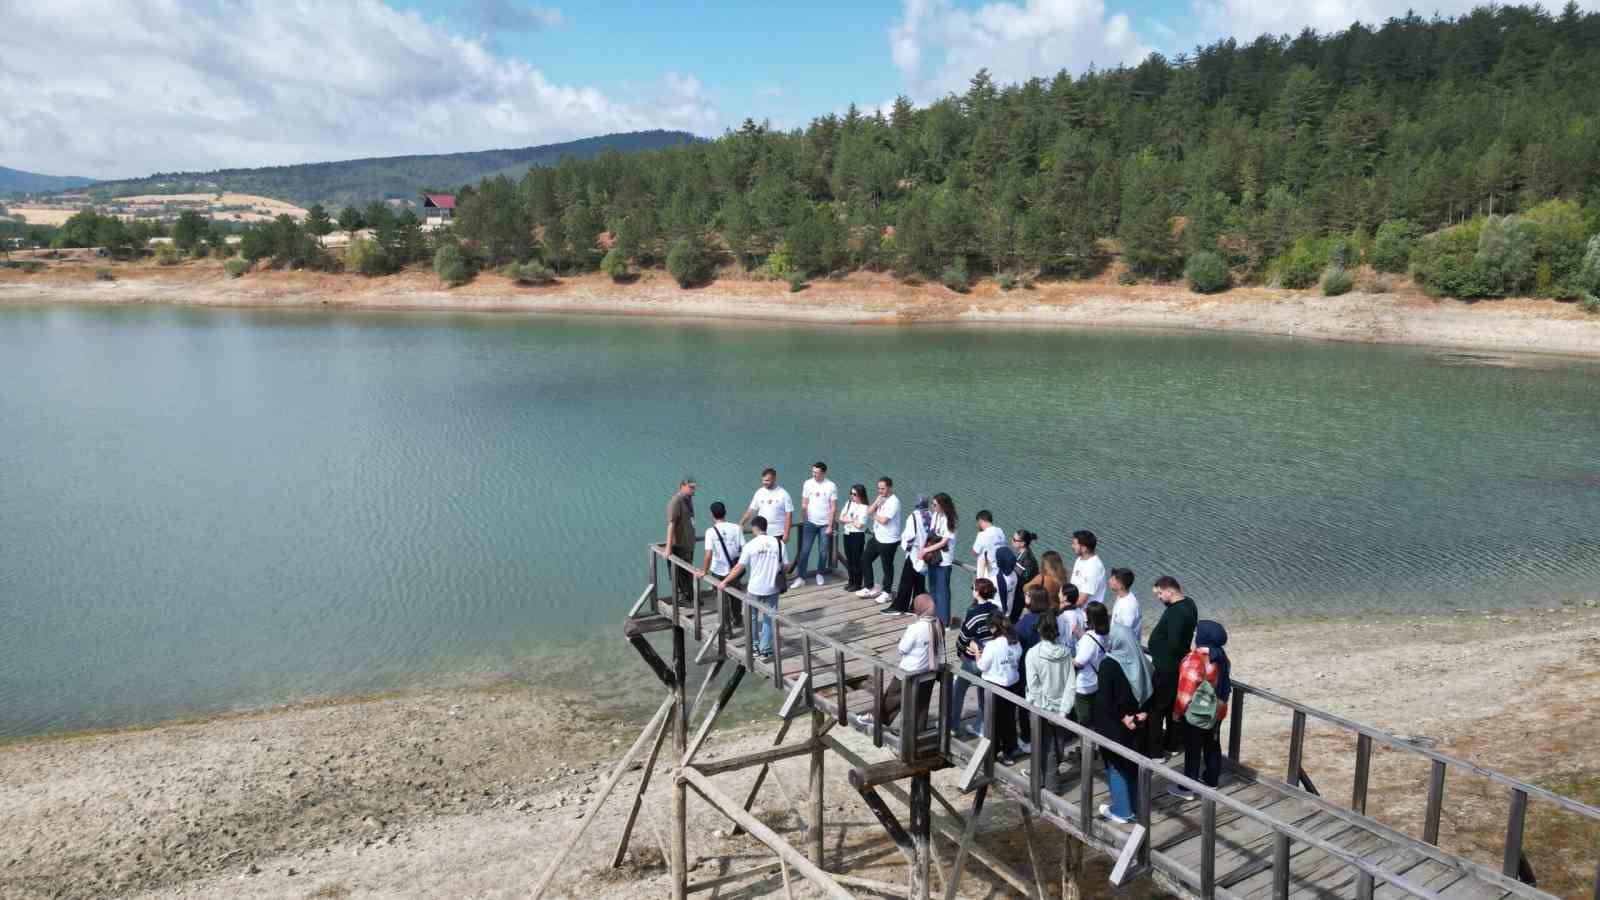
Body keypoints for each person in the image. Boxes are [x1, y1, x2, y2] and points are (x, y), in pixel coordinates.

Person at [854, 594, 943, 733]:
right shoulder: (938, 624)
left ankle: (877, 718)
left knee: (892, 698)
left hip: (910, 671)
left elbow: (902, 649)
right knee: (921, 706)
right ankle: (917, 734)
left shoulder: (915, 628)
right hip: (929, 672)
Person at [1093, 623, 1153, 825]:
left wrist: (1122, 717)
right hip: (1138, 721)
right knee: (1133, 765)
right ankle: (1136, 806)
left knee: (1116, 766)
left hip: (1115, 724)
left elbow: (1105, 699)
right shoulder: (1142, 661)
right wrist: (1143, 714)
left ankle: (1122, 810)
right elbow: (1151, 691)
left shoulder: (1108, 664)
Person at [1170, 620, 1231, 798]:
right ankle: (1212, 781)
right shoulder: (1222, 657)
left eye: (1198, 634)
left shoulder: (1194, 659)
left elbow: (1186, 692)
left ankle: (1188, 788)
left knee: (1192, 748)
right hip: (1217, 711)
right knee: (1212, 744)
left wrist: (1177, 712)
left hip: (1197, 713)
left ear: (1203, 637)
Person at [1146, 575, 1198, 758]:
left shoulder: (1176, 613)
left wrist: (1161, 649)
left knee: (1156, 709)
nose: (1158, 597)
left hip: (1167, 667)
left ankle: (1156, 752)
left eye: (1160, 593)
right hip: (1175, 666)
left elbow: (1175, 643)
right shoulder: (1189, 603)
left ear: (1170, 591)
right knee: (1171, 707)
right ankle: (1172, 743)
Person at [718, 516, 783, 660]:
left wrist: (725, 581)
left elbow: (738, 568)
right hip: (773, 587)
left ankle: (754, 646)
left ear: (754, 528)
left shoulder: (750, 545)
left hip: (754, 588)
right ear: (766, 527)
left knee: (751, 617)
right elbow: (786, 566)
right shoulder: (779, 543)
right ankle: (765, 649)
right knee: (769, 617)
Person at [1025, 612, 1076, 792]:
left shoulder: (1032, 654)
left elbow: (1033, 686)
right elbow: (1071, 684)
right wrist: (1062, 711)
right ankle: (1047, 779)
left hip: (1041, 708)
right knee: (1058, 744)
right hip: (1062, 707)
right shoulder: (1067, 653)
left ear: (1039, 629)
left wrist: (1044, 709)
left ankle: (1048, 784)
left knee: (1043, 746)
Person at [950, 578, 1003, 738]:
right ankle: (980, 726)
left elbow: (964, 637)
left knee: (958, 690)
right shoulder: (997, 609)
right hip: (991, 658)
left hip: (973, 659)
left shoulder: (974, 613)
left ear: (978, 592)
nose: (972, 590)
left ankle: (953, 725)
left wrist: (960, 651)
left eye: (973, 588)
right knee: (984, 693)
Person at [973, 611, 1023, 764]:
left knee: (992, 720)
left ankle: (993, 752)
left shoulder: (992, 645)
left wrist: (976, 652)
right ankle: (1009, 752)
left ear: (993, 628)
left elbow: (981, 666)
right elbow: (1016, 659)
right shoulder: (1015, 642)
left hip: (992, 686)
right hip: (1011, 684)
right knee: (1008, 720)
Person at [1012, 585, 1053, 751]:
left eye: (1028, 595)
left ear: (1033, 600)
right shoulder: (1051, 618)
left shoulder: (1024, 623)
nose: (1025, 597)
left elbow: (1016, 644)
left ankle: (1027, 737)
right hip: (1048, 666)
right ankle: (1046, 734)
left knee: (1024, 704)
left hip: (1028, 668)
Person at [740, 468, 794, 581]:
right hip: (761, 533)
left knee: (778, 559)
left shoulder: (783, 494)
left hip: (777, 533)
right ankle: (762, 580)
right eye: (763, 480)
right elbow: (751, 509)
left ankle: (779, 582)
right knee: (761, 557)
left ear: (774, 479)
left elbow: (789, 515)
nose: (765, 483)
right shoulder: (759, 492)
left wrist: (787, 533)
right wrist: (741, 523)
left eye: (768, 480)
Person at [697, 501, 745, 626]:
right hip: (734, 569)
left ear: (712, 515)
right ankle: (738, 620)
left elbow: (708, 555)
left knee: (721, 600)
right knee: (736, 597)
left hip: (717, 570)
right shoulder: (736, 528)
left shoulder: (710, 532)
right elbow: (743, 549)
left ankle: (727, 629)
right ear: (725, 512)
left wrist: (704, 571)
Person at [884, 495, 932, 616]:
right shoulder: (930, 515)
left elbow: (909, 536)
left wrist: (906, 547)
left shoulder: (913, 516)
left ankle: (900, 606)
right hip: (926, 554)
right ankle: (916, 607)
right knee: (919, 583)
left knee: (906, 581)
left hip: (914, 553)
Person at [857, 477, 902, 601]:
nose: (880, 491)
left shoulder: (894, 502)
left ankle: (887, 592)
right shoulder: (881, 498)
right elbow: (868, 511)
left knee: (887, 566)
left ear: (890, 487)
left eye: (883, 488)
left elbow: (884, 520)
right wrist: (877, 502)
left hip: (889, 540)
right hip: (877, 537)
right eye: (879, 488)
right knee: (865, 559)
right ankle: (869, 586)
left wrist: (872, 515)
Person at [795, 462, 837, 586]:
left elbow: (833, 507)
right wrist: (803, 519)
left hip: (825, 524)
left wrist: (830, 526)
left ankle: (820, 573)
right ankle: (801, 577)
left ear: (824, 473)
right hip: (810, 522)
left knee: (823, 551)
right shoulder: (807, 483)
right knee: (804, 551)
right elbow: (804, 503)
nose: (814, 475)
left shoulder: (831, 486)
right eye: (813, 472)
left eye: (817, 473)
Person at [1071, 600, 1110, 736]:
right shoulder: (1106, 634)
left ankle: (1086, 752)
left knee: (1084, 721)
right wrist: (1081, 633)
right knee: (1095, 718)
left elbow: (1079, 662)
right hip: (1098, 681)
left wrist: (1064, 658)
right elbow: (1094, 645)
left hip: (1085, 685)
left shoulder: (1088, 638)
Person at [924, 493, 957, 624]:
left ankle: (944, 621)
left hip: (943, 559)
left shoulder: (951, 519)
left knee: (942, 591)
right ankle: (933, 614)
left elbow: (944, 542)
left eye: (935, 505)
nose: (932, 507)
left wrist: (926, 549)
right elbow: (931, 534)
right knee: (932, 588)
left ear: (943, 505)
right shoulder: (936, 515)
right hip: (933, 557)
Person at [666, 477, 697, 608]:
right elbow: (671, 524)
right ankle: (683, 600)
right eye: (691, 487)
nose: (693, 490)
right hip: (679, 545)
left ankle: (691, 598)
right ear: (682, 486)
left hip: (689, 544)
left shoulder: (688, 499)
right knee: (679, 575)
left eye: (694, 488)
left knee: (688, 573)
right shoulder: (676, 501)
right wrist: (668, 547)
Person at [839, 484, 871, 592]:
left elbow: (860, 525)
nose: (852, 496)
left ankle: (857, 583)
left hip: (857, 535)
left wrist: (850, 520)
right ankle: (851, 580)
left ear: (861, 495)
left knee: (856, 559)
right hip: (847, 533)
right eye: (851, 493)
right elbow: (841, 517)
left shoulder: (865, 507)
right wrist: (853, 520)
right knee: (849, 559)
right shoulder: (849, 503)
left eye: (855, 494)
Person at [1069, 530, 1107, 609]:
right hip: (1075, 608)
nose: (1072, 546)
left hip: (1087, 614)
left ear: (1084, 548)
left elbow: (1082, 599)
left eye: (1075, 544)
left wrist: (1064, 609)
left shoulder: (1094, 567)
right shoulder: (1079, 559)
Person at [1009, 530, 1039, 619]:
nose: (1011, 541)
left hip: (1020, 598)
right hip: (1017, 594)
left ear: (1022, 543)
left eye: (1014, 540)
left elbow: (1022, 580)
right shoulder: (1021, 554)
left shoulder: (1028, 560)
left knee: (1012, 620)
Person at [970, 510, 1005, 582]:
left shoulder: (982, 535)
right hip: (1000, 570)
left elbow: (974, 552)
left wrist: (980, 532)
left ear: (980, 521)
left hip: (986, 572)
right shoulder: (1000, 531)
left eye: (977, 522)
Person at [1109, 567, 1142, 637]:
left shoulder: (1128, 606)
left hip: (1124, 646)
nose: (1109, 581)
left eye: (1112, 579)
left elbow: (1125, 634)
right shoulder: (1121, 597)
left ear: (1121, 585)